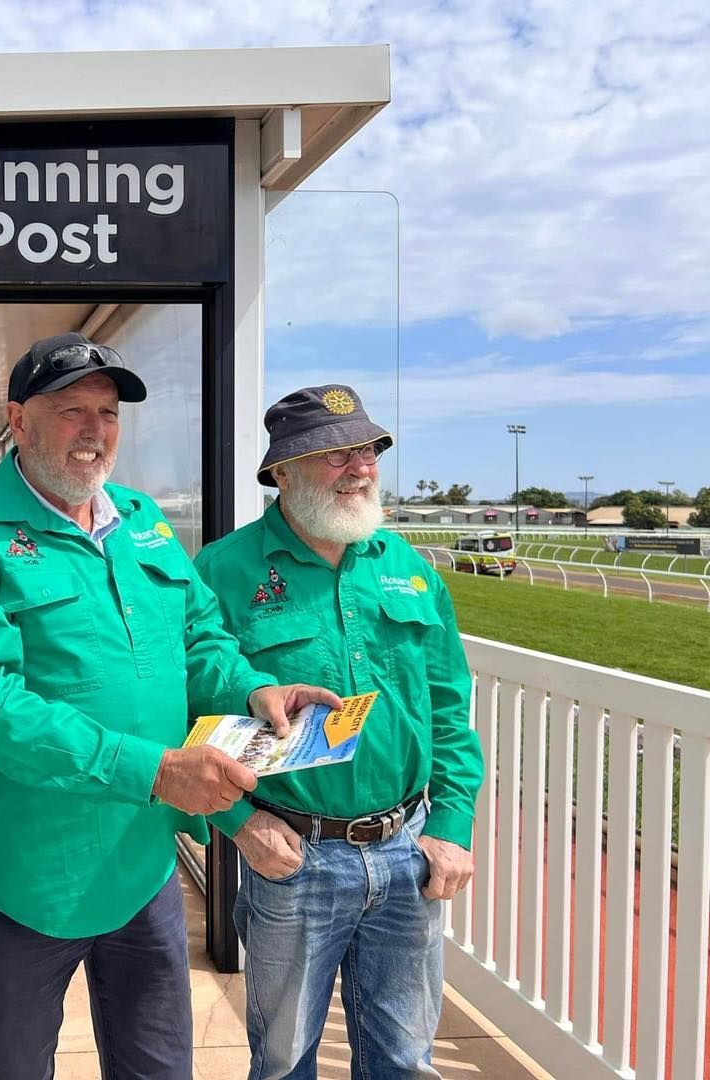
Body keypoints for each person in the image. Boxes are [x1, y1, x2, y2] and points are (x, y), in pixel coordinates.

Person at [0, 332, 339, 1080]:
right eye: (71, 410)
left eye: (107, 413)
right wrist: (156, 769)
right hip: (27, 879)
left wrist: (253, 689)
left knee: (158, 1069)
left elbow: (199, 635)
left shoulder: (141, 518)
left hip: (143, 870)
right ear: (18, 420)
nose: (95, 431)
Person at [193, 385, 484, 1079]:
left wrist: (453, 823)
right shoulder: (222, 573)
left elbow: (448, 708)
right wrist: (239, 824)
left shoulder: (409, 570)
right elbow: (185, 716)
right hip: (293, 856)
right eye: (333, 454)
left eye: (367, 450)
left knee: (404, 1060)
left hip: (409, 853)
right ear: (281, 473)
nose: (360, 467)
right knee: (286, 1060)